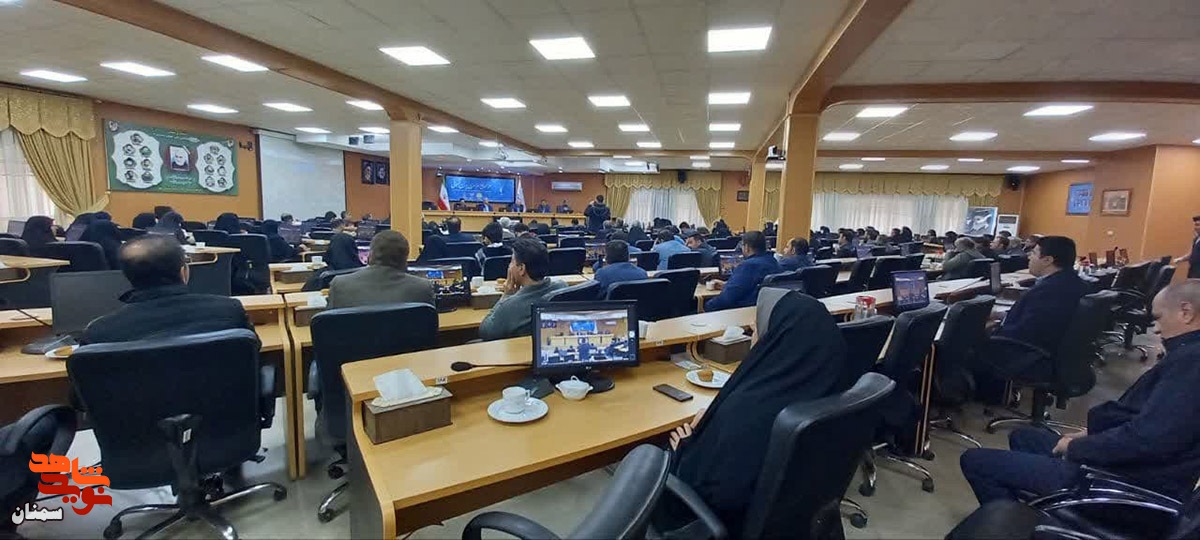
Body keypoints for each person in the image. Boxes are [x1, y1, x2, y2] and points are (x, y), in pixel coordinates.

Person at [961, 279, 1200, 504]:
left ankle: (1016, 520)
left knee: (976, 462)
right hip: (1132, 466)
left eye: (1158, 318)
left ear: (1186, 312)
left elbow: (1146, 441)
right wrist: (1091, 434)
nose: (1155, 329)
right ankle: (1045, 508)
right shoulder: (1187, 355)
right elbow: (1150, 424)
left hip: (1125, 483)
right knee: (1023, 437)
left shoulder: (1191, 364)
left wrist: (1078, 448)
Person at [658, 289, 848, 534]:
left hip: (718, 522)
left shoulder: (746, 411)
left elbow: (717, 490)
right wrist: (716, 426)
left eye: (758, 328)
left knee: (644, 457)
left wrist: (686, 447)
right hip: (795, 523)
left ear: (777, 338)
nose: (751, 330)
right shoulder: (829, 388)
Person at [79, 235, 254, 345]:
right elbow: (252, 357)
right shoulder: (229, 311)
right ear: (184, 272)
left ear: (127, 276)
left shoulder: (99, 332)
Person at [478, 238, 566, 341]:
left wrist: (506, 296)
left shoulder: (510, 306)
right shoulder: (562, 288)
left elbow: (485, 331)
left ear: (521, 268)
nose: (509, 266)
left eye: (511, 262)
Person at [328, 230, 435, 309]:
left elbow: (328, 327)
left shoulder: (339, 285)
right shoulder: (423, 288)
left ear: (370, 256)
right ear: (405, 259)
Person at [704, 231, 781, 312]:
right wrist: (726, 285)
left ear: (747, 247)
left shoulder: (748, 266)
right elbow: (752, 287)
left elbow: (728, 298)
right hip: (765, 311)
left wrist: (707, 306)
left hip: (742, 312)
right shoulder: (774, 262)